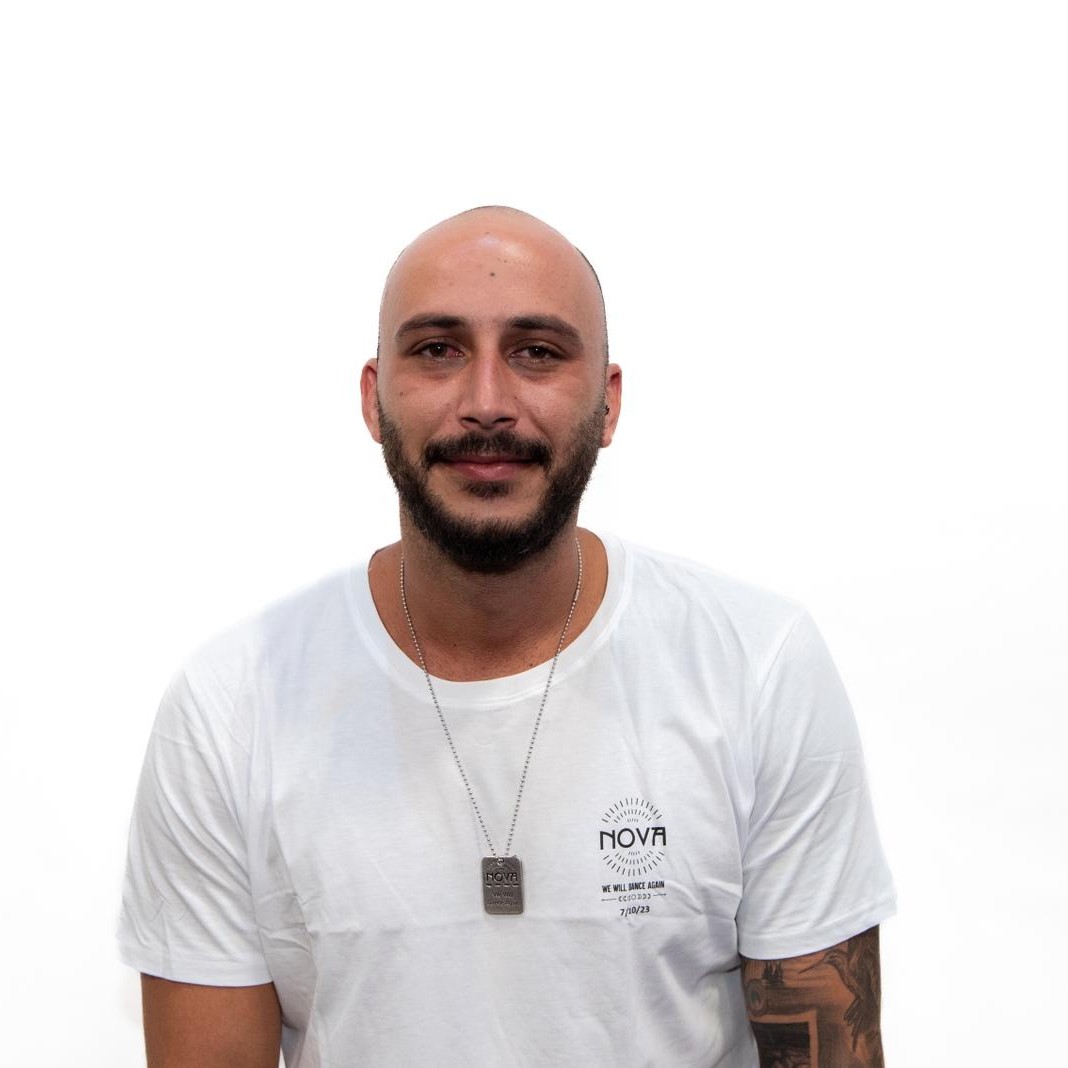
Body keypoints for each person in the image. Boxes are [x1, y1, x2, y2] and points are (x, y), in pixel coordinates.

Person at [119, 206, 895, 1067]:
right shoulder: (232, 707)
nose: (486, 403)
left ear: (608, 402)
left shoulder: (756, 668)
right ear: (374, 399)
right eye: (437, 350)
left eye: (537, 352)